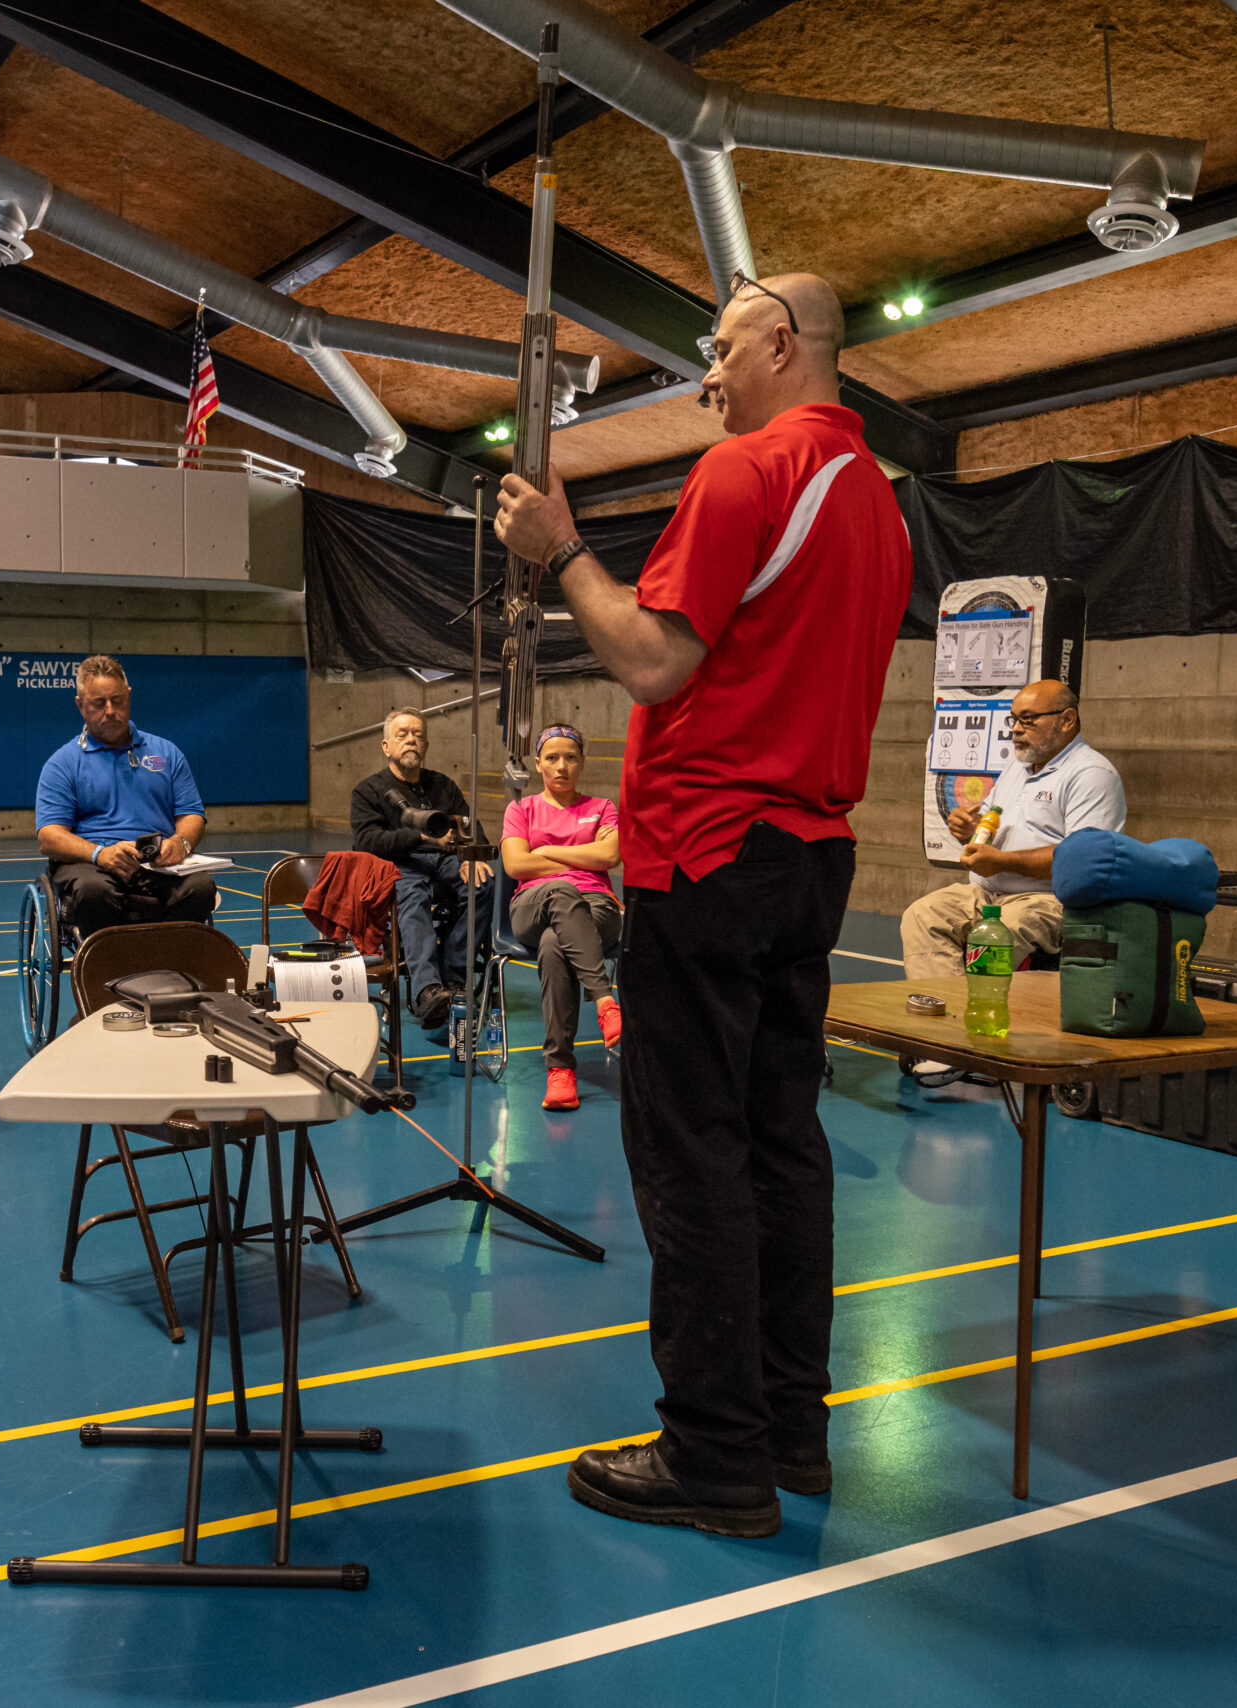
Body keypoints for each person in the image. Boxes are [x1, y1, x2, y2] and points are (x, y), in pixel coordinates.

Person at [495, 271, 911, 1540]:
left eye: (722, 348)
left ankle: (714, 1455)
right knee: (784, 1145)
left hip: (708, 856)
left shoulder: (744, 477)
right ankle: (791, 1428)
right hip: (808, 863)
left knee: (692, 1156)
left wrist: (558, 548)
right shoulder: (880, 509)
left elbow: (652, 655)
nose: (707, 375)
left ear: (784, 344)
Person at [900, 681, 1126, 1078]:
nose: (1016, 729)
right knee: (923, 915)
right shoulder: (1016, 770)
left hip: (1050, 900)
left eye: (1028, 719)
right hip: (987, 890)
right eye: (1013, 719)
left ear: (1067, 719)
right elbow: (988, 829)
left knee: (997, 934)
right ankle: (950, 1039)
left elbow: (1082, 858)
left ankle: (979, 1042)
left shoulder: (1091, 774)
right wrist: (967, 830)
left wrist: (1002, 860)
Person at [34, 655, 213, 934]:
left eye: (117, 701)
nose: (110, 710)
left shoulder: (166, 753)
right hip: (91, 865)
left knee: (201, 887)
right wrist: (99, 854)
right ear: (80, 705)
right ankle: (109, 970)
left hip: (156, 864)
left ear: (128, 697)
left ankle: (171, 963)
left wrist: (180, 843)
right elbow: (49, 837)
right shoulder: (63, 763)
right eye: (98, 703)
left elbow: (193, 816)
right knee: (93, 891)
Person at [499, 725, 623, 1113]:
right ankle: (604, 999)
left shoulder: (602, 807)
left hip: (596, 907)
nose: (562, 766)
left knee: (554, 944)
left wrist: (548, 851)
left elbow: (610, 858)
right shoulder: (520, 809)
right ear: (538, 764)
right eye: (552, 758)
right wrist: (579, 852)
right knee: (561, 891)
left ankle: (560, 1071)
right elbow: (516, 864)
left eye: (570, 757)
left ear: (582, 762)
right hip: (532, 906)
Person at [349, 708, 488, 1027]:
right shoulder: (368, 791)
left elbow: (471, 825)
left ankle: (453, 976)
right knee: (410, 896)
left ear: (425, 746)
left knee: (483, 884)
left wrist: (471, 857)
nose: (411, 740)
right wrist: (420, 838)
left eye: (418, 735)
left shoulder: (443, 785)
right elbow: (367, 840)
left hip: (446, 861)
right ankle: (428, 990)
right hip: (399, 864)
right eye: (402, 735)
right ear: (386, 747)